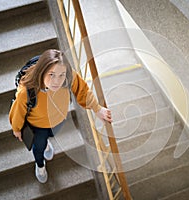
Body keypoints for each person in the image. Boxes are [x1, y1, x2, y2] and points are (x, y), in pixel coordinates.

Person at [9, 49, 112, 183]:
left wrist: (97, 109)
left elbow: (83, 91)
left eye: (61, 75)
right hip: (37, 126)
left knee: (51, 134)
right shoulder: (27, 91)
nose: (56, 81)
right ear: (42, 72)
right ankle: (40, 164)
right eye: (51, 74)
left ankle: (46, 142)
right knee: (39, 147)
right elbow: (17, 112)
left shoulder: (68, 77)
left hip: (58, 120)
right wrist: (16, 129)